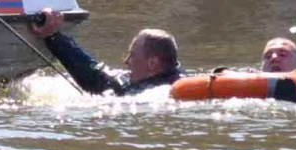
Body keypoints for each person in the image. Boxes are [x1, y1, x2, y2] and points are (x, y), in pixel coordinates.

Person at [27, 9, 183, 96]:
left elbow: (94, 79)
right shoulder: (173, 80)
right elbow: (97, 73)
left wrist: (52, 36)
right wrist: (54, 37)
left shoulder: (143, 95)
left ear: (152, 63)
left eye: (132, 55)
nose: (126, 61)